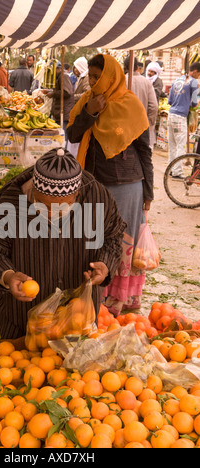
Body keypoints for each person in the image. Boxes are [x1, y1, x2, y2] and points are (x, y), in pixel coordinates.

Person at [0, 147, 126, 339]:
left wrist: (105, 264)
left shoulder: (97, 198)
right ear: (33, 190)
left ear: (77, 195)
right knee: (14, 362)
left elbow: (114, 236)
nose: (50, 213)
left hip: (77, 318)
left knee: (74, 364)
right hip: (20, 318)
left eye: (62, 207)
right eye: (42, 204)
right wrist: (8, 276)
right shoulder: (11, 202)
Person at [67, 54, 154, 317]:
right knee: (93, 239)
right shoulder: (85, 102)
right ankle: (95, 294)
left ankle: (119, 300)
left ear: (110, 77)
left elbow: (144, 150)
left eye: (97, 77)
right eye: (90, 77)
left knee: (123, 241)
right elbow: (72, 134)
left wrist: (148, 192)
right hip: (92, 184)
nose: (92, 82)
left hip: (127, 185)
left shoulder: (131, 104)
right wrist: (90, 111)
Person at [167, 62, 200, 178]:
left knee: (172, 145)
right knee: (180, 145)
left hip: (170, 115)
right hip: (180, 117)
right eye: (199, 74)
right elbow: (195, 103)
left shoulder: (176, 80)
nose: (198, 77)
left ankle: (170, 170)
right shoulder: (194, 82)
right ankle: (177, 172)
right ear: (195, 71)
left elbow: (170, 101)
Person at [123, 56, 158, 137]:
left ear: (124, 67)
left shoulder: (121, 81)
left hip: (125, 127)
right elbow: (154, 106)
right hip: (142, 126)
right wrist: (149, 123)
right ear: (137, 67)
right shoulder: (146, 82)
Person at [42, 62, 74, 147]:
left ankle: (63, 157)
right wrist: (50, 91)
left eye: (53, 70)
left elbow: (67, 92)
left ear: (58, 68)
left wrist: (52, 94)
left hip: (64, 112)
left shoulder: (64, 76)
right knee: (59, 139)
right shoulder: (59, 77)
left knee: (62, 140)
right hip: (59, 112)